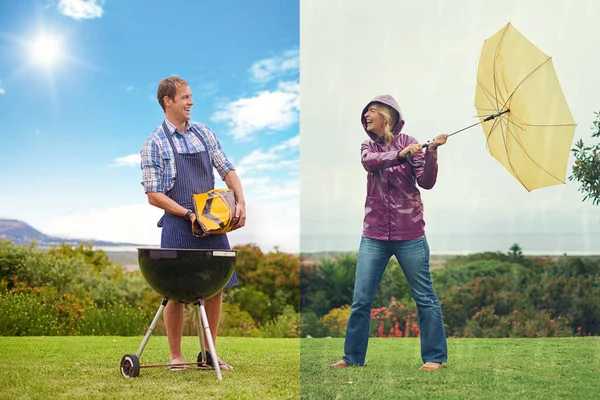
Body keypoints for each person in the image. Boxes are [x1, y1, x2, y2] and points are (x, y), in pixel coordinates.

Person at [330, 94, 448, 371]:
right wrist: (400, 155)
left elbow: (427, 182)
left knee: (425, 297)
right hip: (374, 236)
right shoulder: (367, 146)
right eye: (365, 113)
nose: (366, 116)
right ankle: (352, 357)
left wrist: (430, 152)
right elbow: (370, 162)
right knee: (361, 299)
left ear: (388, 116)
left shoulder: (411, 142)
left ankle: (434, 358)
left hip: (411, 234)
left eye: (372, 111)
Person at [140, 76, 246, 371]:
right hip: (178, 224)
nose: (191, 102)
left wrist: (240, 201)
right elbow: (153, 195)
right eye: (185, 97)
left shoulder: (204, 133)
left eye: (190, 96)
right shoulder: (154, 143)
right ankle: (176, 356)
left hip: (213, 223)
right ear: (168, 101)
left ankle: (208, 354)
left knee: (215, 287)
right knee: (173, 292)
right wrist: (188, 215)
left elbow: (227, 168)